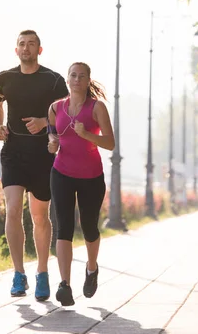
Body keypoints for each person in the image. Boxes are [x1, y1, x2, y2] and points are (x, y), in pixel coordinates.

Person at [0, 30, 68, 301]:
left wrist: (45, 123)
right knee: (12, 210)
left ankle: (42, 273)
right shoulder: (5, 78)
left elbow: (67, 112)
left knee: (39, 216)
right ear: (16, 50)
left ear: (39, 50)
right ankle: (18, 273)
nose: (26, 48)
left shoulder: (54, 80)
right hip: (13, 153)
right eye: (22, 44)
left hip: (43, 155)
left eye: (31, 44)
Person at [47, 62, 115, 306]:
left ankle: (92, 268)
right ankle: (64, 285)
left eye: (81, 76)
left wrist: (86, 134)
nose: (76, 79)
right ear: (67, 79)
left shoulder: (97, 108)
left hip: (91, 176)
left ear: (88, 81)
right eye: (73, 75)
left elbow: (110, 143)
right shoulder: (55, 108)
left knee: (88, 227)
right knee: (63, 227)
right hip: (62, 173)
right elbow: (52, 137)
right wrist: (52, 144)